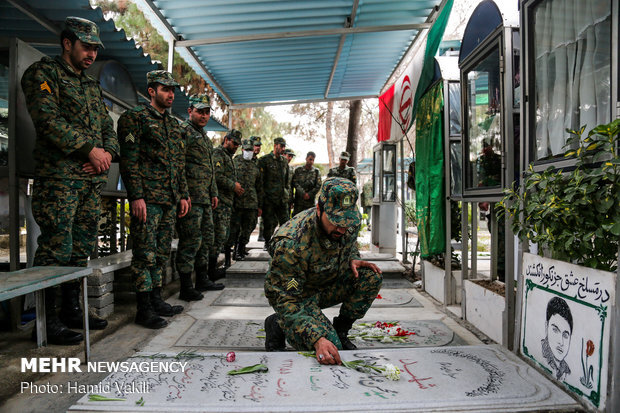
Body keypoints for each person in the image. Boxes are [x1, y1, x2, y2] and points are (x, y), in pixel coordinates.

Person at [21, 16, 118, 345]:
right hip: (60, 181)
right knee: (55, 248)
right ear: (67, 43)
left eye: (94, 49)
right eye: (86, 47)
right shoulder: (44, 73)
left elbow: (108, 129)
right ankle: (46, 322)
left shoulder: (91, 86)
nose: (91, 54)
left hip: (89, 184)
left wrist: (104, 157)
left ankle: (72, 310)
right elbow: (47, 121)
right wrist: (89, 150)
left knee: (79, 251)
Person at [264, 177, 382, 365]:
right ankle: (278, 324)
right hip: (298, 295)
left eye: (347, 221)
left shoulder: (347, 223)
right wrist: (317, 339)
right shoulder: (291, 244)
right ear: (319, 209)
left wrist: (353, 257)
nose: (342, 228)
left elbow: (349, 244)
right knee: (331, 350)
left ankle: (341, 331)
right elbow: (286, 298)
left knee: (370, 277)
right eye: (336, 221)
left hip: (326, 285)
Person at [118, 70, 189, 329]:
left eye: (172, 90)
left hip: (169, 199)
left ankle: (157, 299)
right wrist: (136, 196)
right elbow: (129, 159)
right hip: (147, 199)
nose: (170, 94)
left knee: (160, 253)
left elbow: (178, 164)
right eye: (165, 89)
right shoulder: (134, 118)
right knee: (144, 254)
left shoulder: (174, 125)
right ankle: (144, 308)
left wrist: (182, 195)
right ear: (151, 91)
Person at [175, 94, 224, 301]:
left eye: (207, 112)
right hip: (191, 199)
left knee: (206, 240)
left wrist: (213, 192)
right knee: (190, 241)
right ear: (190, 111)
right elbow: (178, 166)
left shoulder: (204, 136)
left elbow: (210, 169)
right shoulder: (183, 132)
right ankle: (186, 286)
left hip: (204, 198)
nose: (204, 116)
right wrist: (183, 194)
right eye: (200, 111)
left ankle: (202, 278)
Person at [212, 129, 243, 272]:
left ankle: (212, 271)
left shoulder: (228, 156)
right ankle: (210, 271)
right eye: (234, 143)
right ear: (226, 140)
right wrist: (233, 186)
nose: (236, 147)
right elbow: (217, 176)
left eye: (238, 145)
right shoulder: (218, 154)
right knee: (217, 238)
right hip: (219, 203)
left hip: (227, 203)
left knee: (222, 237)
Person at [229, 139, 263, 260]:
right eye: (246, 149)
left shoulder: (255, 165)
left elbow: (259, 186)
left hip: (251, 203)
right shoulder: (235, 162)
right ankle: (234, 252)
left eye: (251, 150)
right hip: (237, 202)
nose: (249, 152)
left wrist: (260, 205)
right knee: (235, 228)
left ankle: (242, 248)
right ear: (242, 149)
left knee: (249, 226)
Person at [258, 137, 289, 249]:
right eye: (281, 146)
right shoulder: (264, 160)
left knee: (285, 222)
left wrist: (287, 194)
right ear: (275, 145)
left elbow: (286, 181)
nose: (283, 149)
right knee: (268, 223)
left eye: (284, 146)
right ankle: (267, 242)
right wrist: (262, 199)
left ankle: (284, 242)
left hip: (281, 198)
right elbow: (261, 182)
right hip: (269, 199)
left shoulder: (284, 161)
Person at [541, 297, 573, 381]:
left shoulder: (567, 371)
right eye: (555, 330)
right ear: (546, 327)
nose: (561, 342)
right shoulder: (541, 355)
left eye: (565, 335)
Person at [291, 151, 322, 217]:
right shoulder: (298, 170)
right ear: (306, 158)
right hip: (299, 201)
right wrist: (303, 193)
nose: (311, 162)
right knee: (297, 220)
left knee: (309, 220)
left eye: (313, 160)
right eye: (310, 159)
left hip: (310, 202)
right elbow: (295, 183)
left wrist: (309, 194)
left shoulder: (316, 172)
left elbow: (318, 185)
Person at [283, 148, 296, 216]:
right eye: (289, 156)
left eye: (291, 156)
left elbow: (292, 185)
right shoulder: (278, 167)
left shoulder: (291, 169)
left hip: (288, 199)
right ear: (283, 155)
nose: (290, 158)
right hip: (277, 198)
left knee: (286, 220)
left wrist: (292, 200)